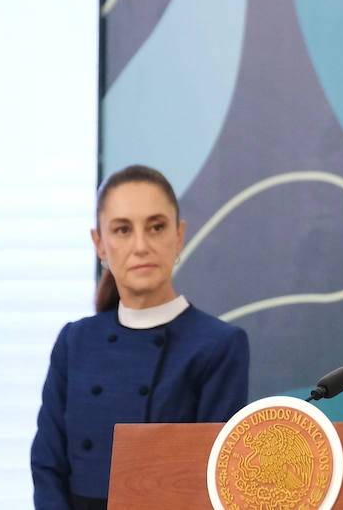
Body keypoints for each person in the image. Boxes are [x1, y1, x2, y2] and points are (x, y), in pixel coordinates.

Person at [31, 164, 250, 509]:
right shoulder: (75, 341)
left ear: (178, 236)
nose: (141, 246)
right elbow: (47, 466)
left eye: (156, 227)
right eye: (122, 230)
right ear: (99, 244)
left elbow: (214, 481)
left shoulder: (219, 344)